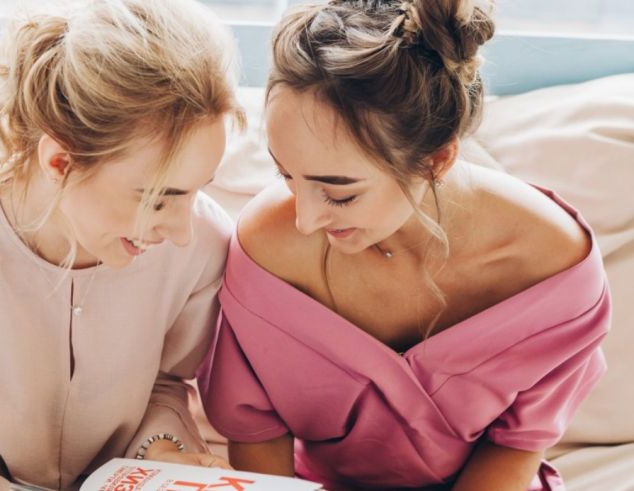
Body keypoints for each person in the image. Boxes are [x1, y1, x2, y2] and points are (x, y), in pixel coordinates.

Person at [198, 1, 610, 490]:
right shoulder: (267, 249)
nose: (306, 220)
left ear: (435, 161)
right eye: (286, 174)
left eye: (339, 192)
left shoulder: (552, 268)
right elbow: (256, 432)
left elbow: (517, 444)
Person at [0, 1, 245, 489]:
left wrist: (162, 455)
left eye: (196, 190)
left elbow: (164, 386)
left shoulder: (203, 242)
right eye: (158, 198)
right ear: (61, 161)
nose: (182, 230)